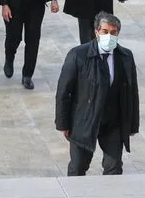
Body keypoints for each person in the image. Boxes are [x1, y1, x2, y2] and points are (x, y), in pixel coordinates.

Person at [55, 12, 140, 176]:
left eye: (113, 33)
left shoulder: (125, 57)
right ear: (96, 32)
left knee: (114, 167)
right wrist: (63, 123)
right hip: (84, 121)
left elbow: (132, 93)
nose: (109, 36)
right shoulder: (78, 55)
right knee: (78, 166)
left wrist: (132, 124)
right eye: (105, 32)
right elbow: (64, 92)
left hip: (113, 123)